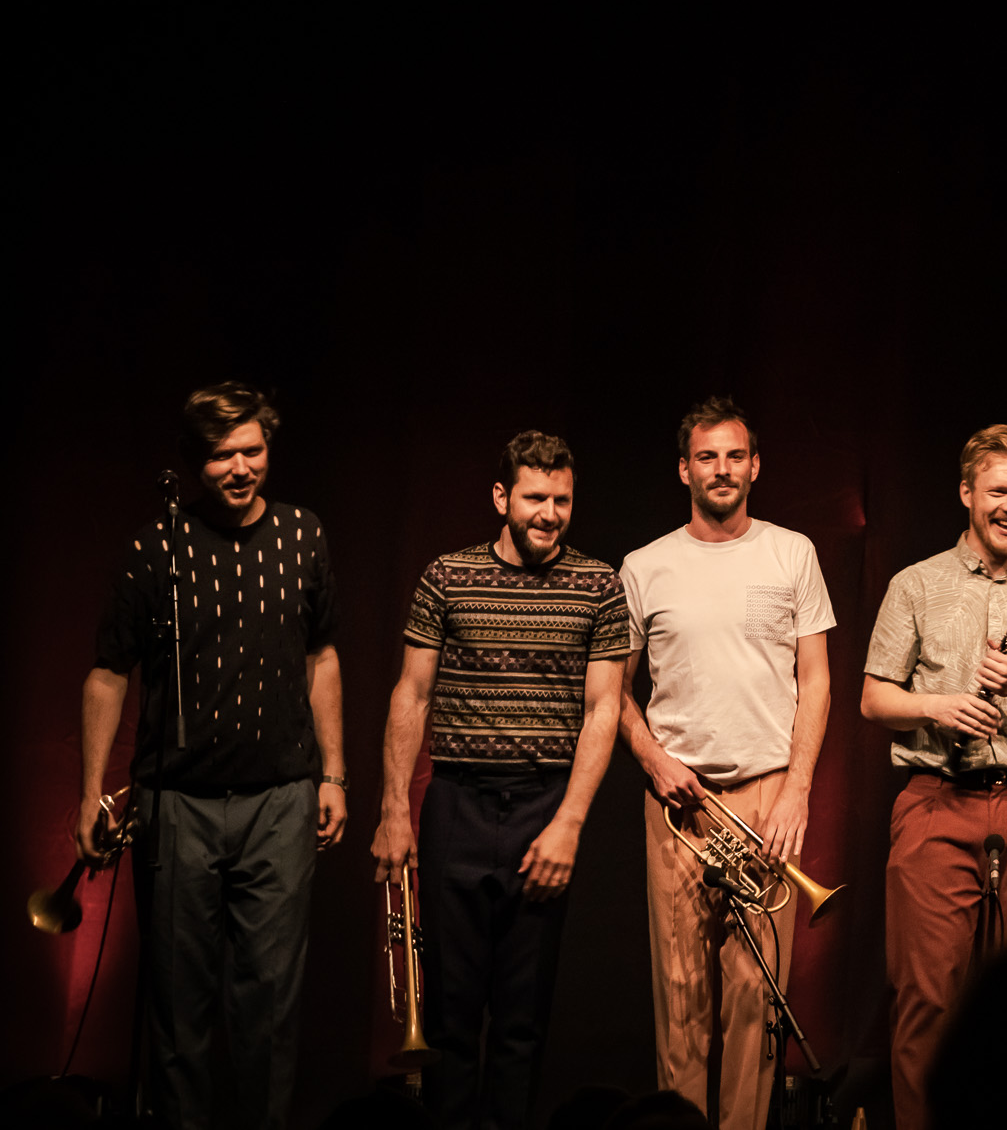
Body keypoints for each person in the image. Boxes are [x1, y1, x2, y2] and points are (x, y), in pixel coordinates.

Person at [77, 382, 347, 1130]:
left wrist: (333, 773)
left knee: (271, 1005)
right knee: (177, 1007)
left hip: (280, 801)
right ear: (194, 461)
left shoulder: (303, 534)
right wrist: (90, 791)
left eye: (252, 450)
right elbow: (108, 671)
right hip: (177, 805)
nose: (240, 467)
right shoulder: (154, 547)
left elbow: (322, 655)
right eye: (222, 454)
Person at [370, 431, 629, 1130]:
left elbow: (604, 710)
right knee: (449, 1018)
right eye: (535, 497)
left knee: (522, 1021)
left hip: (544, 806)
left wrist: (569, 823)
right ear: (501, 497)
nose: (550, 513)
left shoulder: (599, 585)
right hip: (456, 802)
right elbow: (411, 694)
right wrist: (394, 809)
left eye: (562, 500)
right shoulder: (447, 576)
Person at [860, 426, 1007, 1130]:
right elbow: (874, 699)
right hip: (937, 797)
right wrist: (938, 706)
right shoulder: (916, 583)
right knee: (925, 997)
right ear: (967, 493)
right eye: (998, 491)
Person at [617, 397, 836, 1129]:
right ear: (684, 469)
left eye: (734, 455)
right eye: (706, 456)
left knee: (755, 999)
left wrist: (798, 790)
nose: (722, 468)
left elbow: (817, 680)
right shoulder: (645, 565)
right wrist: (652, 760)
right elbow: (612, 692)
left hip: (768, 796)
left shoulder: (792, 552)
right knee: (681, 999)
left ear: (755, 465)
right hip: (678, 801)